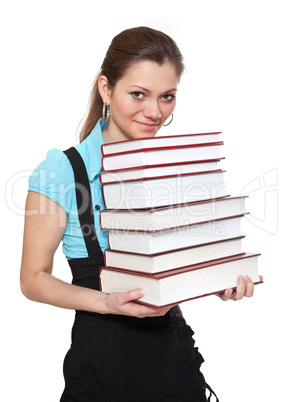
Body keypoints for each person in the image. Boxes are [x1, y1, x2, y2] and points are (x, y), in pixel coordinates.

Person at [20, 26, 257, 401]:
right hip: (100, 370)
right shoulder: (61, 171)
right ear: (106, 89)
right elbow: (32, 279)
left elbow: (181, 263)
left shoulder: (174, 169)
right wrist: (105, 302)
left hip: (174, 362)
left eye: (167, 97)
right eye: (138, 94)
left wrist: (215, 280)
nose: (155, 112)